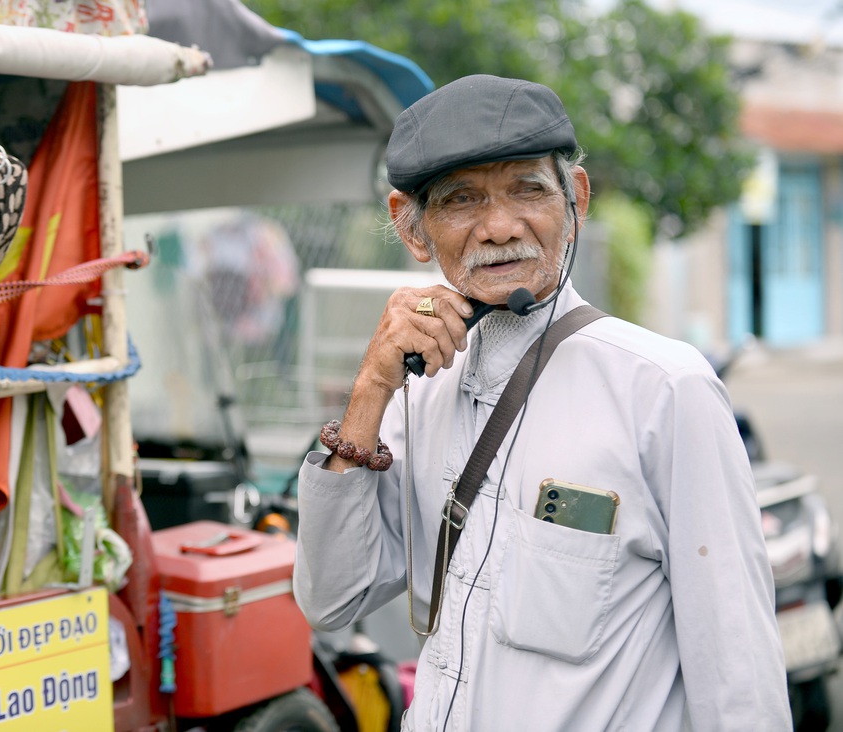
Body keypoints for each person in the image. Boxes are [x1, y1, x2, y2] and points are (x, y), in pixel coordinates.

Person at [292, 74, 790, 731]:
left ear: (575, 199)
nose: (499, 227)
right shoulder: (421, 389)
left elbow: (738, 676)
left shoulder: (664, 389)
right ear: (412, 229)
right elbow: (331, 599)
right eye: (462, 199)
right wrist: (371, 390)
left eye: (528, 189)